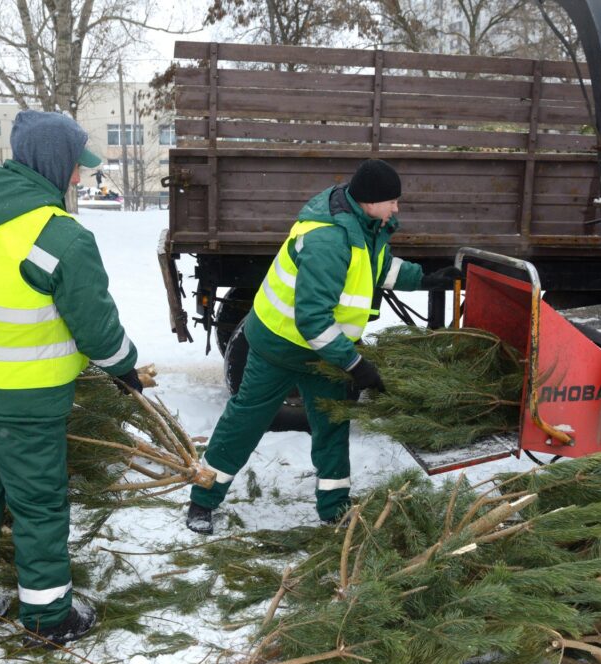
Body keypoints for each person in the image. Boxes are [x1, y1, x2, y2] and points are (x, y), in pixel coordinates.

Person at [0, 110, 145, 647]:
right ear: (52, 163)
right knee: (39, 506)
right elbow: (96, 325)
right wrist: (124, 369)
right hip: (23, 401)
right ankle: (47, 618)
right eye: (73, 169)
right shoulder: (58, 235)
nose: (77, 179)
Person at [186, 159, 462, 534]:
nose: (397, 208)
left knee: (332, 425)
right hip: (279, 346)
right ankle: (202, 501)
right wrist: (355, 364)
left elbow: (374, 267)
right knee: (244, 422)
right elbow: (313, 320)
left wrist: (426, 278)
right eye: (393, 201)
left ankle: (334, 508)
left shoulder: (364, 224)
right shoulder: (329, 239)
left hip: (323, 351)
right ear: (370, 201)